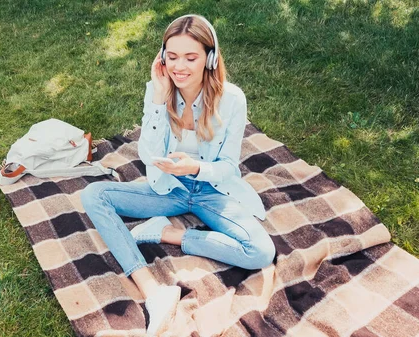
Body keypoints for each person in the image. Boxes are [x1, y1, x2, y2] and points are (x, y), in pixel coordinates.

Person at [81, 14, 275, 336]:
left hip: (212, 190)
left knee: (260, 252)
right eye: (171, 57)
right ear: (162, 57)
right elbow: (147, 156)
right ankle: (153, 293)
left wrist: (196, 167)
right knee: (93, 195)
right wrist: (158, 98)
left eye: (190, 57)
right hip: (168, 188)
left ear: (210, 59)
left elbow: (228, 165)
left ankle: (166, 233)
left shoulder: (232, 100)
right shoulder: (158, 90)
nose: (179, 67)